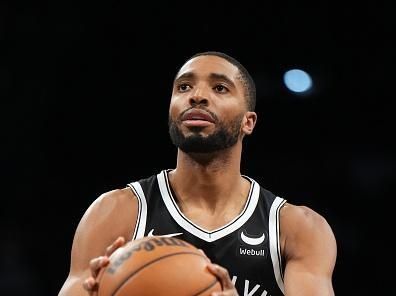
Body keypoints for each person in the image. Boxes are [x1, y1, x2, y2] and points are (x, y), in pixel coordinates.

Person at [58, 51, 337, 296]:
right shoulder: (115, 212)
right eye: (184, 86)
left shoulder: (297, 229)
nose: (197, 95)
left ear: (248, 122)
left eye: (219, 88)